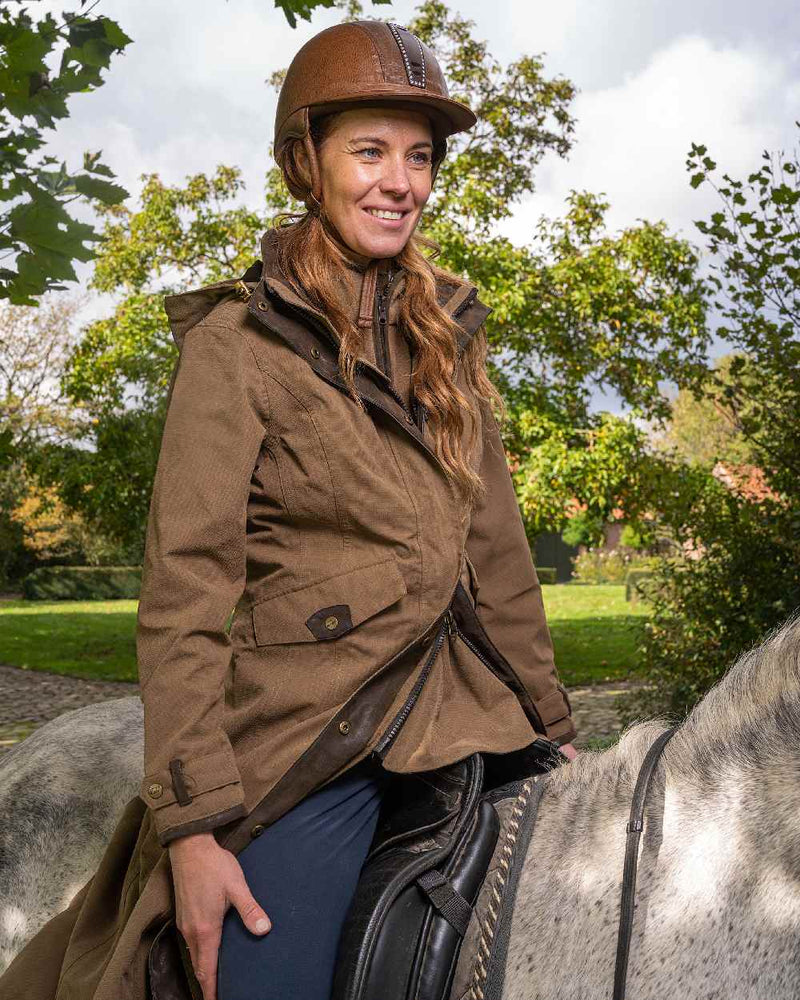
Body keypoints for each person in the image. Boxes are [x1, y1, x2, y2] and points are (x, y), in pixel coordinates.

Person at [0, 19, 576, 1000]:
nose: (400, 180)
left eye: (419, 156)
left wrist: (552, 723)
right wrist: (190, 829)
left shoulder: (450, 333)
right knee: (263, 973)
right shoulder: (236, 346)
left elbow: (498, 554)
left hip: (465, 709)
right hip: (313, 735)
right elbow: (185, 591)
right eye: (369, 151)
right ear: (305, 162)